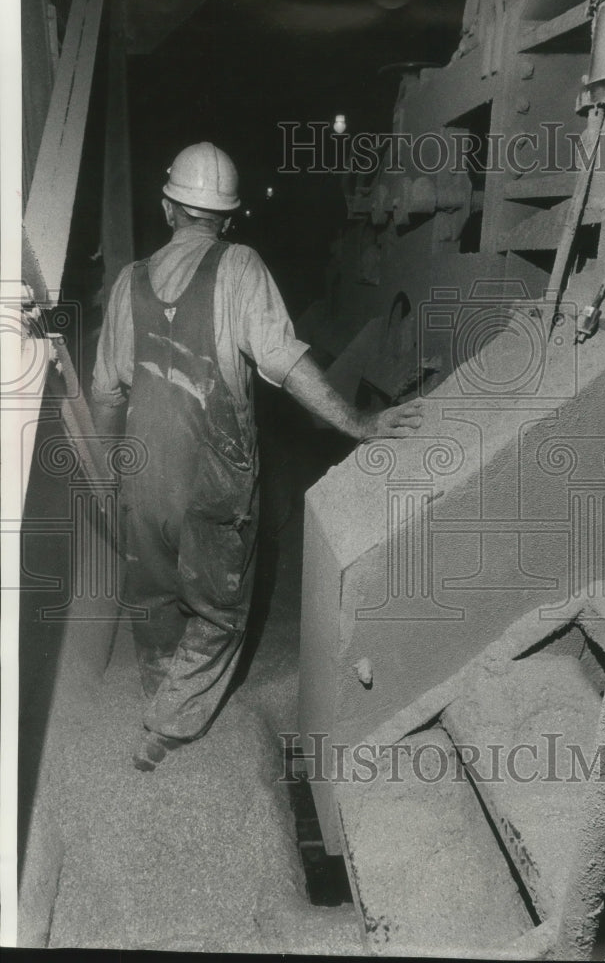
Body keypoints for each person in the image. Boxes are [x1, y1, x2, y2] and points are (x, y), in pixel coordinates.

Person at [91, 142, 424, 771]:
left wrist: (113, 471)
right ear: (228, 217)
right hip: (214, 480)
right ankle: (167, 725)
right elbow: (285, 362)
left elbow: (105, 391)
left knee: (154, 589)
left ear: (169, 208)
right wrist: (358, 422)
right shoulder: (239, 267)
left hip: (144, 474)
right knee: (219, 610)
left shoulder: (126, 282)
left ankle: (156, 682)